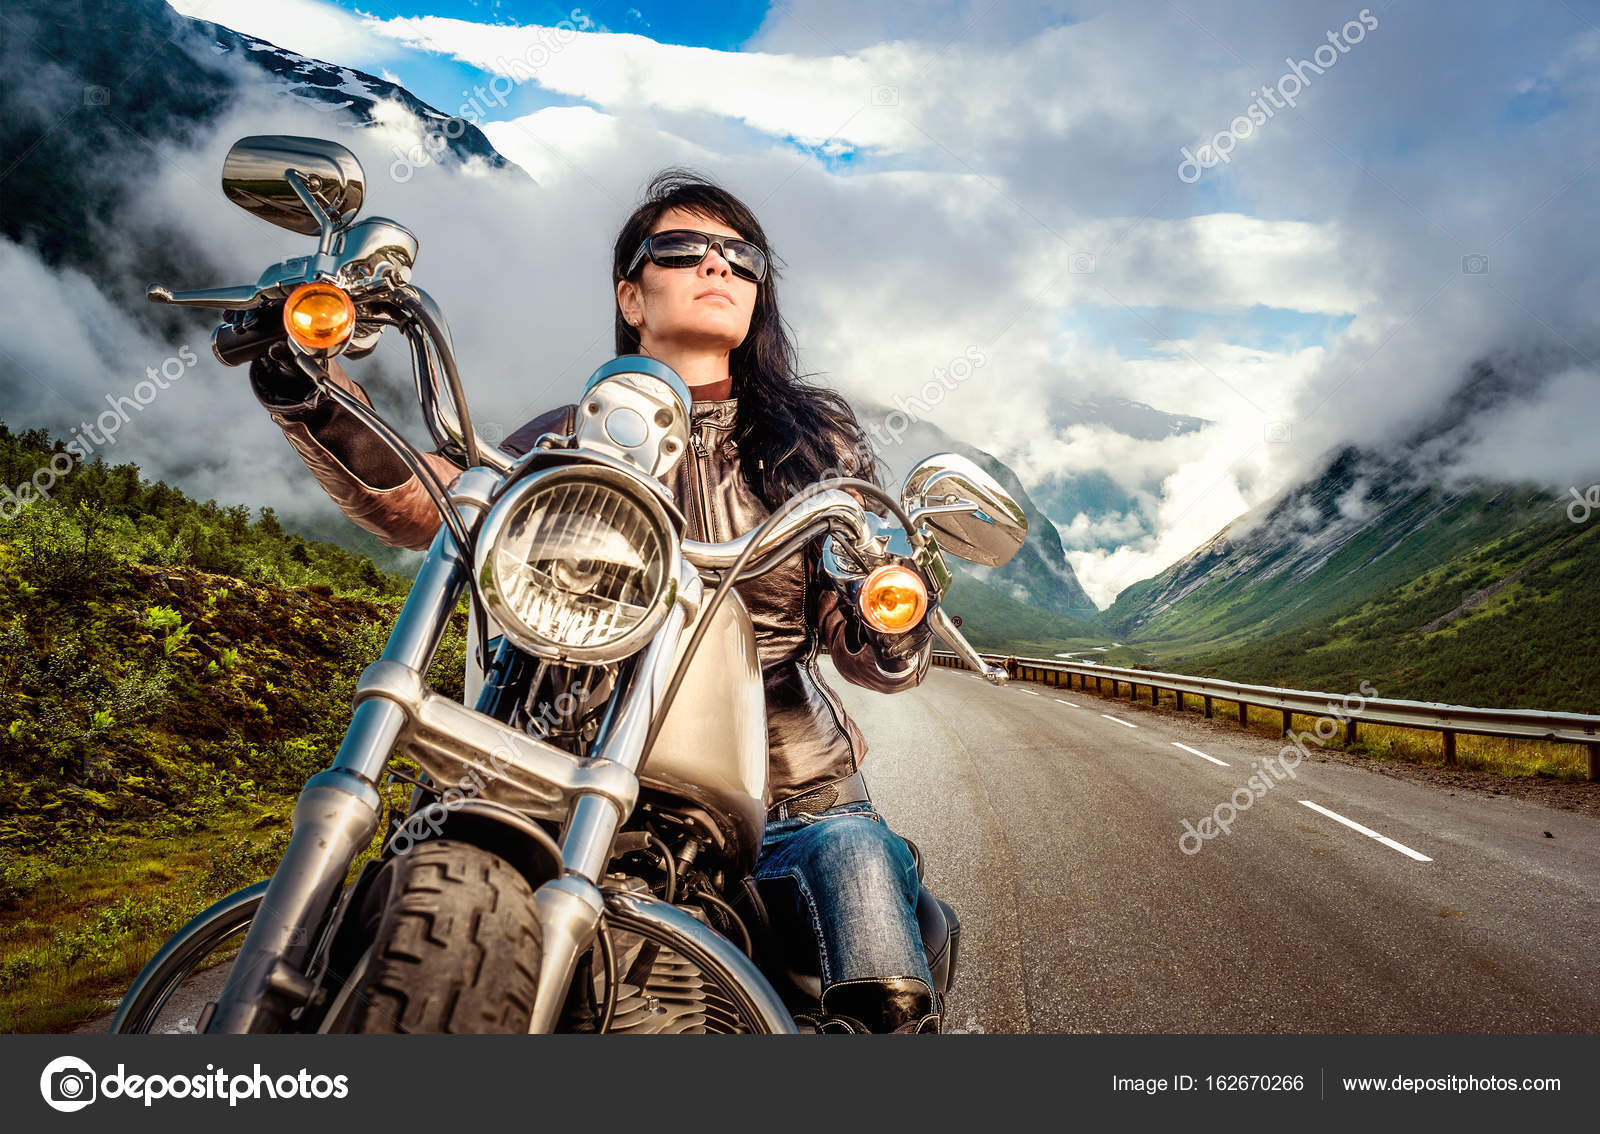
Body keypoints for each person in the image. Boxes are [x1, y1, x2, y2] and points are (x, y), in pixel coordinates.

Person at [248, 169, 940, 1034]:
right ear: (630, 294)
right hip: (559, 772)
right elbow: (438, 498)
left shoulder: (813, 451)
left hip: (788, 801)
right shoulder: (562, 439)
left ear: (759, 294)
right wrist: (314, 397)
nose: (717, 266)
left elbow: (855, 622)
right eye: (684, 250)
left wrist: (887, 618)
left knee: (859, 863)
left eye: (741, 256)